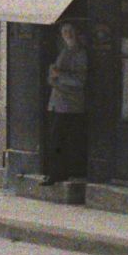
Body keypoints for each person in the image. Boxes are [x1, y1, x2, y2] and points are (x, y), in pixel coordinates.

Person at [44, 21, 89, 185]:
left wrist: (59, 76)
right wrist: (54, 77)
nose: (67, 34)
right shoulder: (64, 51)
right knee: (56, 138)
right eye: (64, 31)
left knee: (63, 139)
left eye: (70, 31)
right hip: (58, 102)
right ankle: (56, 172)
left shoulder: (80, 54)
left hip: (70, 104)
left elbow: (80, 80)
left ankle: (61, 173)